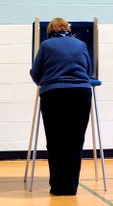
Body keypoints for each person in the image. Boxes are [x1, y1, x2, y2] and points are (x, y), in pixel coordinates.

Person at [29, 17, 92, 196]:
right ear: (67, 29)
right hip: (81, 94)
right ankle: (71, 187)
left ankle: (57, 187)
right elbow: (88, 71)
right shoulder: (80, 44)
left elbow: (36, 74)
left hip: (54, 95)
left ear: (51, 30)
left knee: (55, 141)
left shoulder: (46, 45)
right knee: (75, 142)